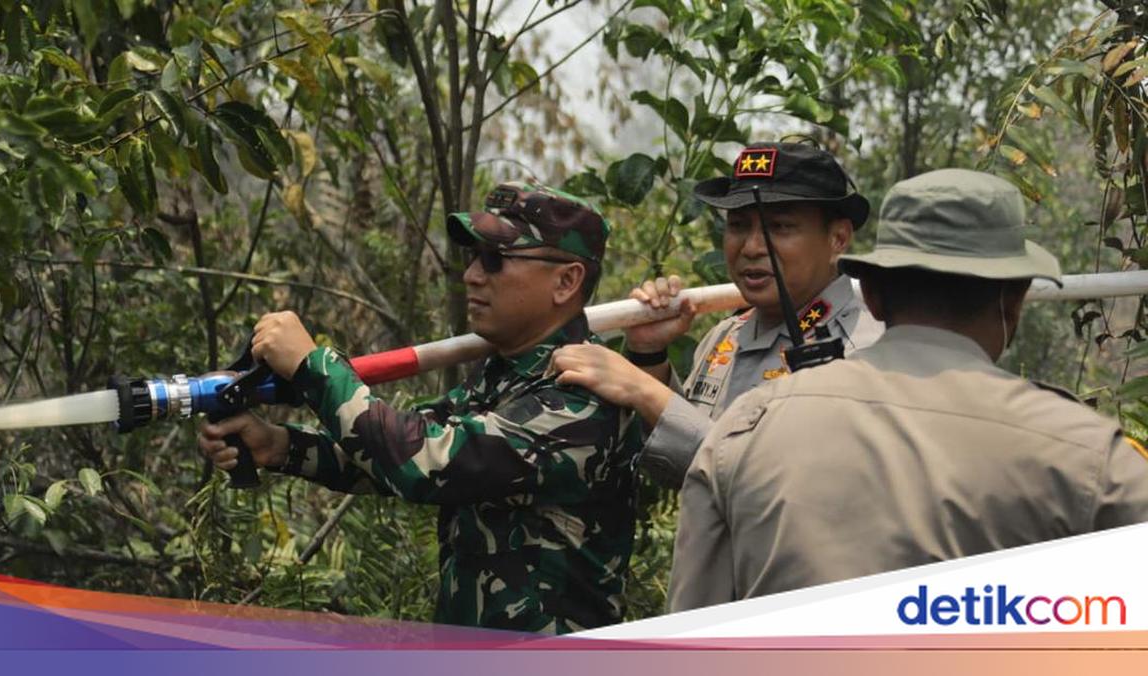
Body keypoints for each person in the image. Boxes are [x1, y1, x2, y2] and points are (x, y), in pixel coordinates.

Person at [667, 168, 1148, 611]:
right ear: (1015, 298)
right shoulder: (1088, 457)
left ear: (873, 295)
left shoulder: (744, 432)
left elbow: (688, 638)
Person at [198, 181, 643, 634]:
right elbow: (394, 448)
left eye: (495, 258)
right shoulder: (508, 371)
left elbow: (426, 461)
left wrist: (314, 366)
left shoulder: (583, 395)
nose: (472, 275)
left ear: (566, 281)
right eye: (472, 256)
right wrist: (280, 446)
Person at [551, 142, 882, 487]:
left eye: (780, 227)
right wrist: (649, 356)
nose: (751, 247)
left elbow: (785, 487)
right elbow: (684, 471)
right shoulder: (726, 336)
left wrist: (645, 391)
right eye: (737, 225)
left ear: (838, 238)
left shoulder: (863, 350)